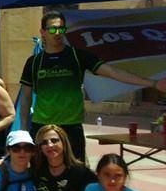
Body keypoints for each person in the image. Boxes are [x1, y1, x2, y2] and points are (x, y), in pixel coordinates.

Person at [20, 11, 166, 161]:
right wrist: (23, 132)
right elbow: (25, 99)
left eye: (61, 29)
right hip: (42, 127)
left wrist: (153, 83)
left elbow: (113, 72)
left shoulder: (78, 56)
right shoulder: (33, 62)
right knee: (41, 174)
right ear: (43, 32)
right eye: (52, 29)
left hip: (72, 127)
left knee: (77, 175)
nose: (57, 33)